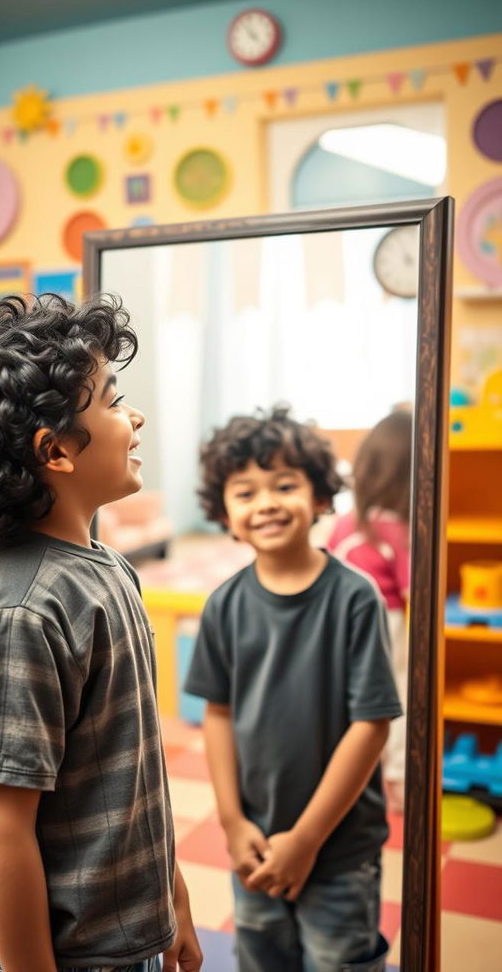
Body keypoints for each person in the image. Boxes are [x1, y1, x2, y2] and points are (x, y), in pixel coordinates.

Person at [0, 294, 202, 972]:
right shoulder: (23, 612)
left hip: (127, 931)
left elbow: (134, 768)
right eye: (113, 402)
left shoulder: (104, 564)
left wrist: (168, 899)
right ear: (55, 451)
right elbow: (0, 834)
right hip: (68, 955)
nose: (134, 417)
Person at [184, 405, 401, 972]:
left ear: (322, 498)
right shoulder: (223, 607)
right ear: (225, 514)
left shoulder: (355, 598)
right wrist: (232, 824)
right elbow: (218, 715)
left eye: (285, 485)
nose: (268, 503)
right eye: (246, 492)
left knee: (337, 959)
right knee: (261, 959)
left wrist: (306, 840)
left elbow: (371, 724)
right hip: (255, 842)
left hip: (337, 847)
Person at [328, 410, 412, 813]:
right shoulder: (399, 528)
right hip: (386, 619)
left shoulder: (347, 521)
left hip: (338, 617)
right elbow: (415, 589)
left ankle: (357, 774)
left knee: (350, 695)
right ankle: (395, 779)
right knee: (392, 695)